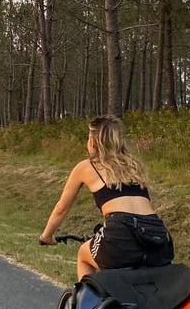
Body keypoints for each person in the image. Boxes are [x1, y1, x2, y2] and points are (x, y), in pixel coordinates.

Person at [39, 114, 173, 280]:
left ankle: (87, 304)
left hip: (120, 234)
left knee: (83, 255)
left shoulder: (87, 167)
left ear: (93, 142)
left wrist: (46, 236)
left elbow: (61, 208)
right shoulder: (133, 166)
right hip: (158, 235)